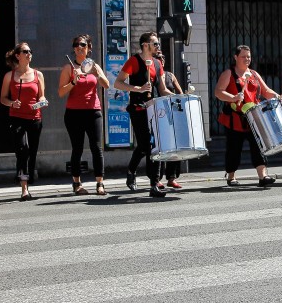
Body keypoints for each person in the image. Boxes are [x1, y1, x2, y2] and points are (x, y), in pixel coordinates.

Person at [114, 32, 173, 198]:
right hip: (138, 109)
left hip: (153, 109)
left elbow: (162, 89)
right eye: (155, 44)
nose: (158, 46)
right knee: (147, 145)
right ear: (145, 45)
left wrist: (178, 96)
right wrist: (138, 89)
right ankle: (146, 178)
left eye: (158, 44)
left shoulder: (157, 63)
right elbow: (118, 83)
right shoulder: (134, 61)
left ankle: (151, 181)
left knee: (152, 145)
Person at [214, 45, 279, 187]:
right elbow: (218, 92)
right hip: (235, 119)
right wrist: (233, 97)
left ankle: (263, 176)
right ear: (235, 57)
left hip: (254, 117)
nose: (247, 59)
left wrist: (276, 96)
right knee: (234, 148)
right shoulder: (229, 73)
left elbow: (266, 91)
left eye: (248, 56)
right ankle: (231, 176)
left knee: (258, 146)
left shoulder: (254, 74)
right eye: (243, 56)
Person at [59, 34, 111, 196]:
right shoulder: (68, 68)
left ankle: (100, 183)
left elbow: (106, 85)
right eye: (76, 45)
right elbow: (61, 92)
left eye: (82, 45)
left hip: (93, 111)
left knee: (96, 147)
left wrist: (97, 74)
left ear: (89, 48)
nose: (79, 48)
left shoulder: (94, 65)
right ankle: (76, 183)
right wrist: (73, 81)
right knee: (78, 148)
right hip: (74, 113)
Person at [0, 42, 46, 201]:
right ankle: (24, 187)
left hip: (35, 118)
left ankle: (27, 176)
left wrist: (40, 103)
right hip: (17, 118)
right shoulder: (10, 76)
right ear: (17, 55)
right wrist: (12, 103)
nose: (29, 54)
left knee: (32, 152)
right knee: (22, 149)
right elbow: (3, 99)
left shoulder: (38, 75)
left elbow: (42, 97)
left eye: (30, 51)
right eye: (25, 51)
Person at [156, 51, 186, 189]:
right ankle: (157, 178)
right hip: (158, 112)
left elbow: (180, 92)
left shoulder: (170, 75)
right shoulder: (151, 75)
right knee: (160, 147)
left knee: (174, 145)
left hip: (172, 112)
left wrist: (180, 98)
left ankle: (172, 177)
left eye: (162, 58)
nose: (161, 60)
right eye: (158, 58)